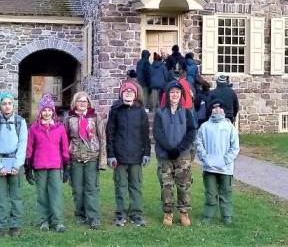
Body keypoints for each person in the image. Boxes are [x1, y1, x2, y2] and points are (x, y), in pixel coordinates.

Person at [106, 80, 151, 227]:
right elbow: (110, 134)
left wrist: (147, 153)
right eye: (126, 92)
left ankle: (136, 214)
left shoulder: (141, 112)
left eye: (131, 92)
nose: (128, 94)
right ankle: (121, 214)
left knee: (135, 186)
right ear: (121, 94)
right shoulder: (115, 110)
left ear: (135, 94)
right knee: (121, 186)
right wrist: (110, 154)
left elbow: (145, 135)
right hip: (119, 156)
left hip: (136, 156)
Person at [153, 80, 197, 227]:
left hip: (182, 155)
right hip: (165, 156)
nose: (175, 95)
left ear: (181, 95)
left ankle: (184, 212)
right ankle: (168, 212)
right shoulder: (160, 112)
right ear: (167, 94)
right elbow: (158, 133)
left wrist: (179, 148)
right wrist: (169, 148)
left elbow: (191, 132)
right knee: (166, 185)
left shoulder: (187, 112)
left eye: (177, 92)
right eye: (172, 92)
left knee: (183, 185)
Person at [25, 94, 70, 233]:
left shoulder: (60, 128)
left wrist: (66, 165)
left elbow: (64, 147)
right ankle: (43, 221)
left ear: (53, 111)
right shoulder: (34, 128)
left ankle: (57, 221)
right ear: (40, 111)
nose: (47, 113)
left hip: (55, 166)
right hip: (39, 166)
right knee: (42, 195)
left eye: (49, 110)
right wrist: (28, 167)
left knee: (56, 194)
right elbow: (29, 148)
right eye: (44, 110)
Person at [0, 92, 27, 238]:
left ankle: (15, 225)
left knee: (16, 197)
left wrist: (17, 165)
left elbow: (23, 144)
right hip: (1, 164)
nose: (7, 106)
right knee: (0, 197)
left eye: (10, 103)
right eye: (4, 103)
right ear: (0, 106)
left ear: (13, 105)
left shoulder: (20, 122)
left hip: (15, 162)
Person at [64, 91, 106, 230]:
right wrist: (66, 158)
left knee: (91, 188)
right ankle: (80, 214)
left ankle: (93, 217)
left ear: (88, 103)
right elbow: (65, 140)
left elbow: (102, 138)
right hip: (75, 157)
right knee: (77, 188)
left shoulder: (95, 117)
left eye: (85, 101)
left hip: (92, 157)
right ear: (75, 103)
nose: (82, 103)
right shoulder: (69, 119)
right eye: (79, 101)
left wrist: (102, 160)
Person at [195, 100, 240, 226]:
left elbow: (235, 147)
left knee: (226, 193)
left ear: (224, 111)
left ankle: (227, 216)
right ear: (211, 110)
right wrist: (205, 158)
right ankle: (208, 216)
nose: (217, 110)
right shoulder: (204, 127)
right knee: (210, 193)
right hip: (209, 168)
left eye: (220, 108)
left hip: (226, 168)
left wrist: (226, 160)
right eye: (215, 108)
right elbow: (199, 143)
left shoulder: (229, 127)